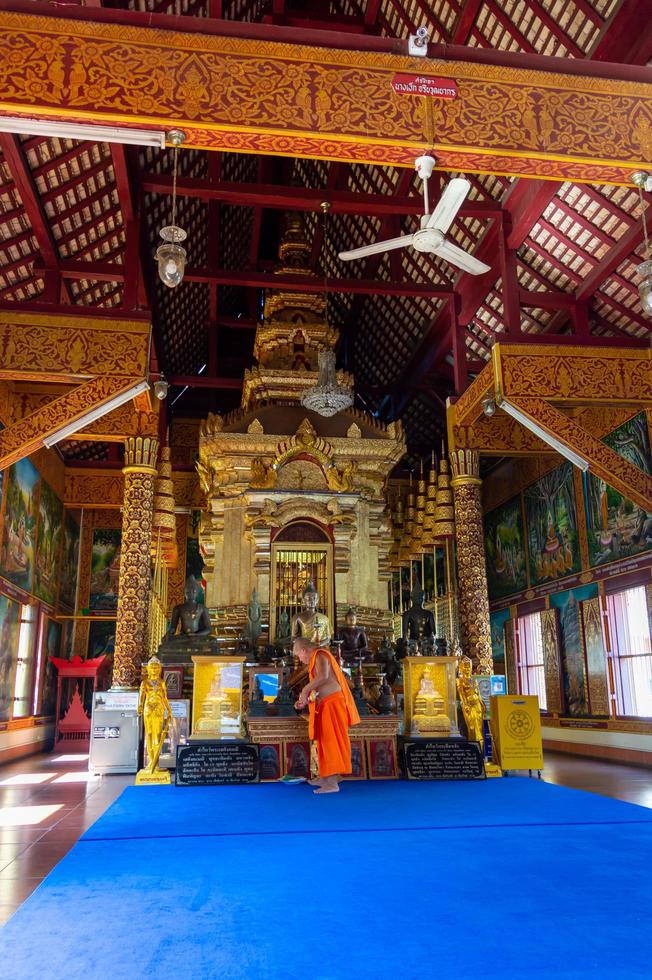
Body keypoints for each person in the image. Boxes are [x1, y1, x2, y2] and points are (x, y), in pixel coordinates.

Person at [293, 636, 360, 794]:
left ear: (304, 650)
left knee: (331, 741)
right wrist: (305, 700)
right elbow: (320, 685)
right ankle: (326, 776)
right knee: (324, 742)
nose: (299, 659)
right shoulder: (316, 658)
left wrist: (304, 690)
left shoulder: (321, 655)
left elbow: (323, 676)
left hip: (333, 704)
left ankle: (331, 784)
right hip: (325, 704)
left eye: (298, 655)